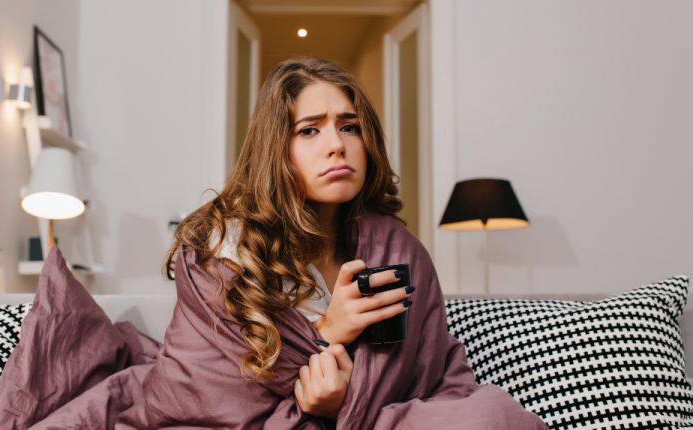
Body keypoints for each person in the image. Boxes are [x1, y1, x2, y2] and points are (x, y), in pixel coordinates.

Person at [117, 57, 547, 429]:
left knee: (495, 417)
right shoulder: (221, 255)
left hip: (375, 416)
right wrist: (327, 333)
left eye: (349, 126)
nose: (337, 146)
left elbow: (431, 376)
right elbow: (216, 397)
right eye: (309, 131)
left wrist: (346, 405)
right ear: (276, 149)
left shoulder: (397, 247)